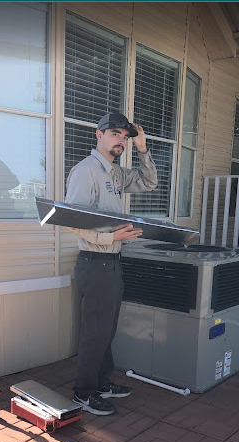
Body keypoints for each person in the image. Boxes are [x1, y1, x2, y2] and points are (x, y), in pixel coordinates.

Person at [65, 112, 158, 416]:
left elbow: (149, 182)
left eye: (125, 137)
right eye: (115, 133)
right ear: (99, 135)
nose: (121, 140)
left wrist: (143, 149)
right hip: (95, 263)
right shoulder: (85, 171)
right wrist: (111, 238)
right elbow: (72, 222)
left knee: (106, 330)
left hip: (111, 263)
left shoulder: (115, 174)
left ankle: (101, 382)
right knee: (95, 331)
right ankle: (83, 391)